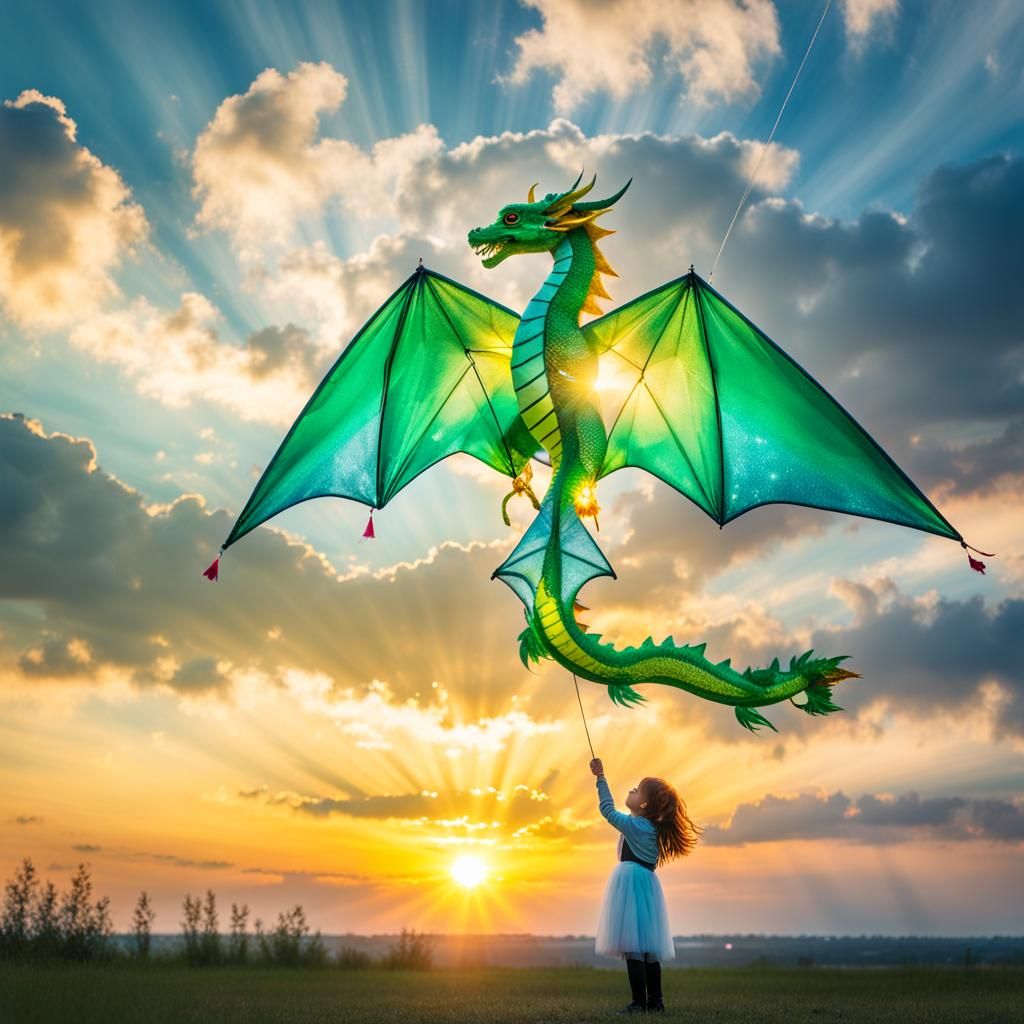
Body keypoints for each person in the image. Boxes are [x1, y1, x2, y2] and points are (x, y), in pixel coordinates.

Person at [590, 757, 702, 1014]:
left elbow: (607, 809)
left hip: (631, 882)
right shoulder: (650, 827)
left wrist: (600, 778)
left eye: (636, 790)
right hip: (648, 885)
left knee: (633, 947)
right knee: (648, 949)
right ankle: (656, 1002)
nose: (631, 790)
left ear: (643, 804)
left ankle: (639, 1003)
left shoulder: (636, 826)